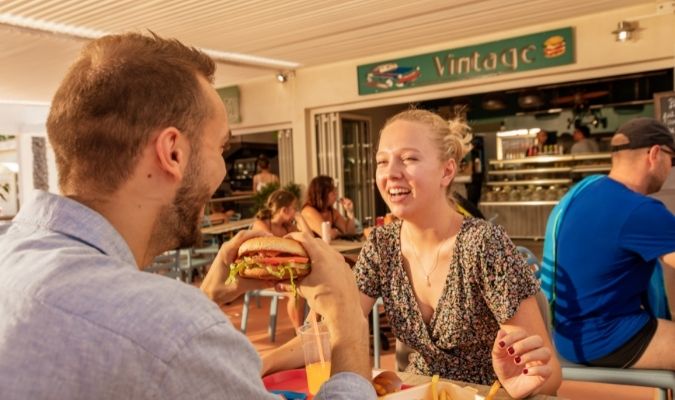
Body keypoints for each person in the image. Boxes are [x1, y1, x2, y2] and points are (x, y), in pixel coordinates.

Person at [0, 32, 375, 400]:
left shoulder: (13, 259)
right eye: (220, 147)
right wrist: (348, 327)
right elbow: (158, 339)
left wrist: (207, 298)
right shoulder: (176, 329)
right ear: (173, 153)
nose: (222, 172)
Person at [266, 110, 561, 399]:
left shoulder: (484, 244)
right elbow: (334, 328)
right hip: (416, 391)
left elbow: (548, 379)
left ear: (447, 171)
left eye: (408, 158)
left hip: (489, 394)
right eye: (382, 161)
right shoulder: (382, 246)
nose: (391, 172)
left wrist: (523, 384)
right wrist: (262, 363)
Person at [541, 117, 675, 370]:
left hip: (565, 333)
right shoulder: (640, 210)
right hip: (604, 338)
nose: (670, 168)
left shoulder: (583, 193)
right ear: (655, 154)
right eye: (672, 159)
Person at [252, 189, 306, 330]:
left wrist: (300, 219)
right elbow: (271, 249)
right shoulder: (261, 224)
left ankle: (312, 329)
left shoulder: (287, 227)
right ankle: (299, 333)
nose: (296, 211)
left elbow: (309, 240)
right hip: (266, 274)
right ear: (284, 210)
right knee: (296, 293)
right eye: (294, 208)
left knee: (315, 284)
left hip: (286, 272)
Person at [301, 175, 356, 240]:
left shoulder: (331, 211)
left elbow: (349, 232)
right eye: (332, 192)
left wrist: (350, 212)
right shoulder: (308, 211)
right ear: (321, 194)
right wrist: (337, 232)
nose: (336, 194)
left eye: (335, 191)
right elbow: (327, 234)